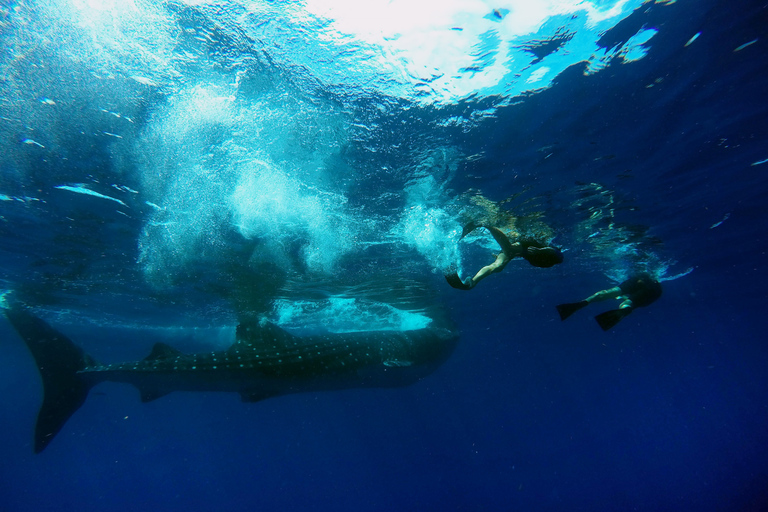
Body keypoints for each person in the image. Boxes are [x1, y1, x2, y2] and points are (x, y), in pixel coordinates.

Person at [445, 224, 563, 290]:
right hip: (529, 244)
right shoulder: (554, 256)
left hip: (521, 252)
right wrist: (539, 250)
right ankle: (485, 223)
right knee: (509, 250)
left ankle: (472, 283)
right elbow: (554, 251)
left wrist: (510, 256)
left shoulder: (545, 262)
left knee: (498, 266)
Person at [556, 273, 662, 330]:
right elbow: (637, 295)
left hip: (638, 279)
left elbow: (627, 290)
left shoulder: (635, 276)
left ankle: (583, 303)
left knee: (608, 293)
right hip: (655, 290)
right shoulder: (655, 282)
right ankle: (624, 311)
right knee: (626, 304)